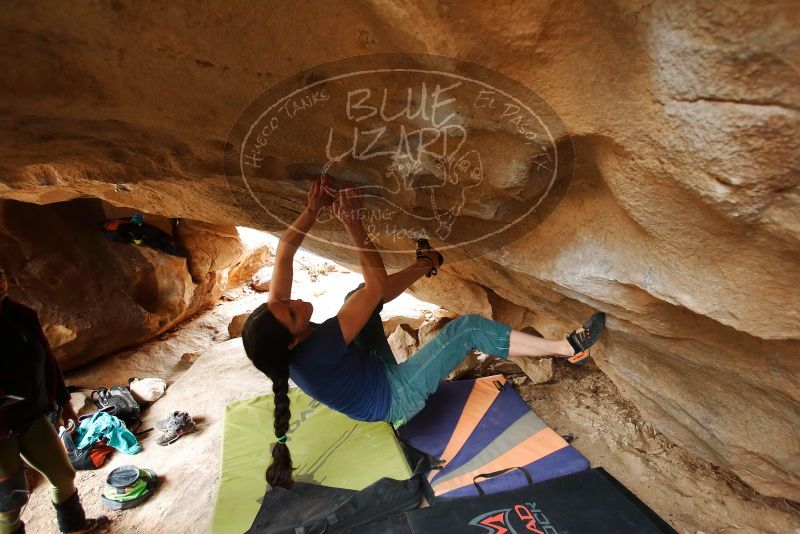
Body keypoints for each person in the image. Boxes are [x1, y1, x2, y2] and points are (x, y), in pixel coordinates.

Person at [242, 175, 606, 490]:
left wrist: (312, 209)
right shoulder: (316, 352)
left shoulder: (281, 337)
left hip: (364, 367)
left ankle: (428, 262)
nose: (296, 301)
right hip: (392, 398)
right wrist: (353, 223)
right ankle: (566, 348)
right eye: (292, 312)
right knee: (467, 329)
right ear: (293, 339)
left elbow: (285, 255)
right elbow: (377, 284)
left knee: (359, 299)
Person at [0, 267, 109, 534]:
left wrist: (65, 402)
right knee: (11, 500)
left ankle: (74, 527)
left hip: (31, 416)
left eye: (0, 274)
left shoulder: (21, 316)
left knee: (63, 475)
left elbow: (48, 361)